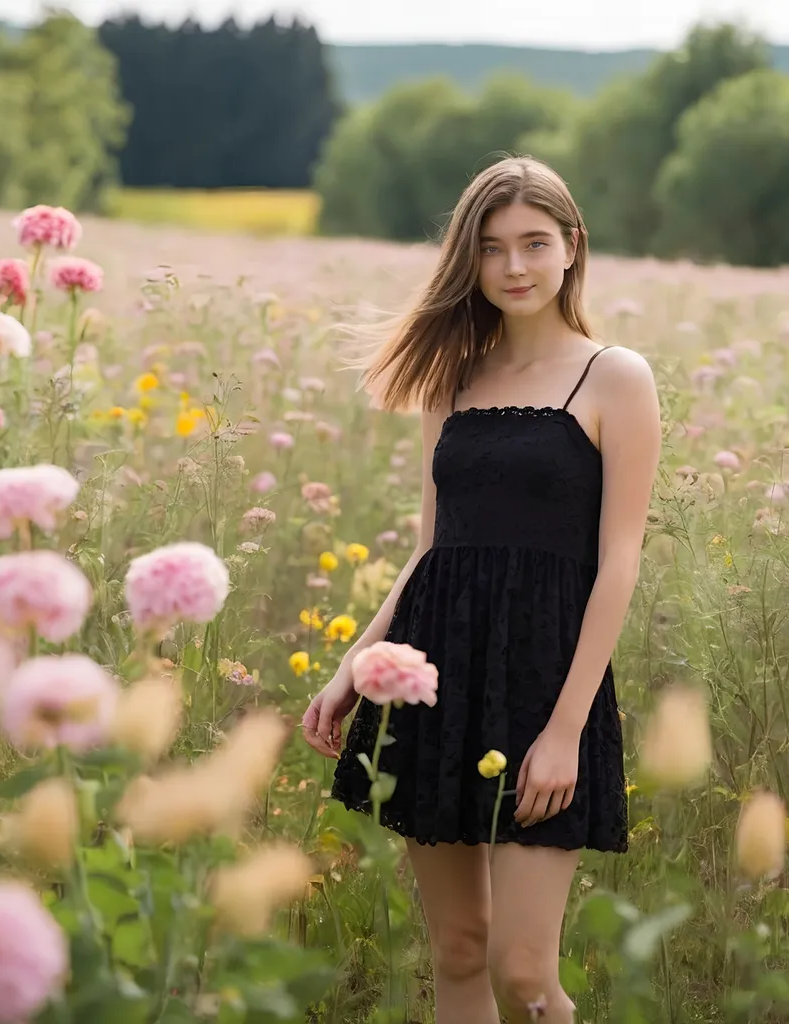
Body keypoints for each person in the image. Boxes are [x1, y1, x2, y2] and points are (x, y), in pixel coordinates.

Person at [301, 155, 661, 1024]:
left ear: (573, 247)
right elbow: (433, 548)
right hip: (437, 676)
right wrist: (356, 664)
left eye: (534, 244)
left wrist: (567, 728)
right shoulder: (452, 377)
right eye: (493, 248)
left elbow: (619, 563)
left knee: (525, 974)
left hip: (548, 682)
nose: (514, 268)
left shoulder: (615, 376)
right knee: (458, 952)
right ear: (470, 259)